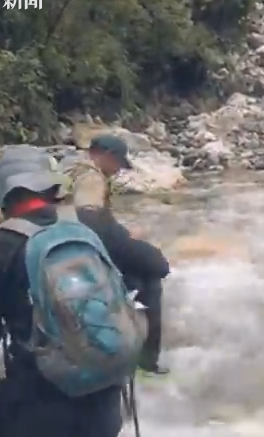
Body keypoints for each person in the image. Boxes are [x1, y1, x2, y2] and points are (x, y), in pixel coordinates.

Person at [0, 146, 170, 437]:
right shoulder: (93, 223)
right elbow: (157, 266)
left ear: (5, 196)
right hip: (104, 386)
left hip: (40, 397)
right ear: (51, 186)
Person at [64, 134, 167, 374]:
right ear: (106, 155)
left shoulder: (68, 171)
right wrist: (131, 245)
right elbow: (91, 221)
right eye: (118, 163)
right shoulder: (90, 177)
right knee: (154, 273)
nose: (118, 170)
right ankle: (146, 362)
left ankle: (129, 352)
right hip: (86, 252)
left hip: (67, 251)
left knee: (138, 279)